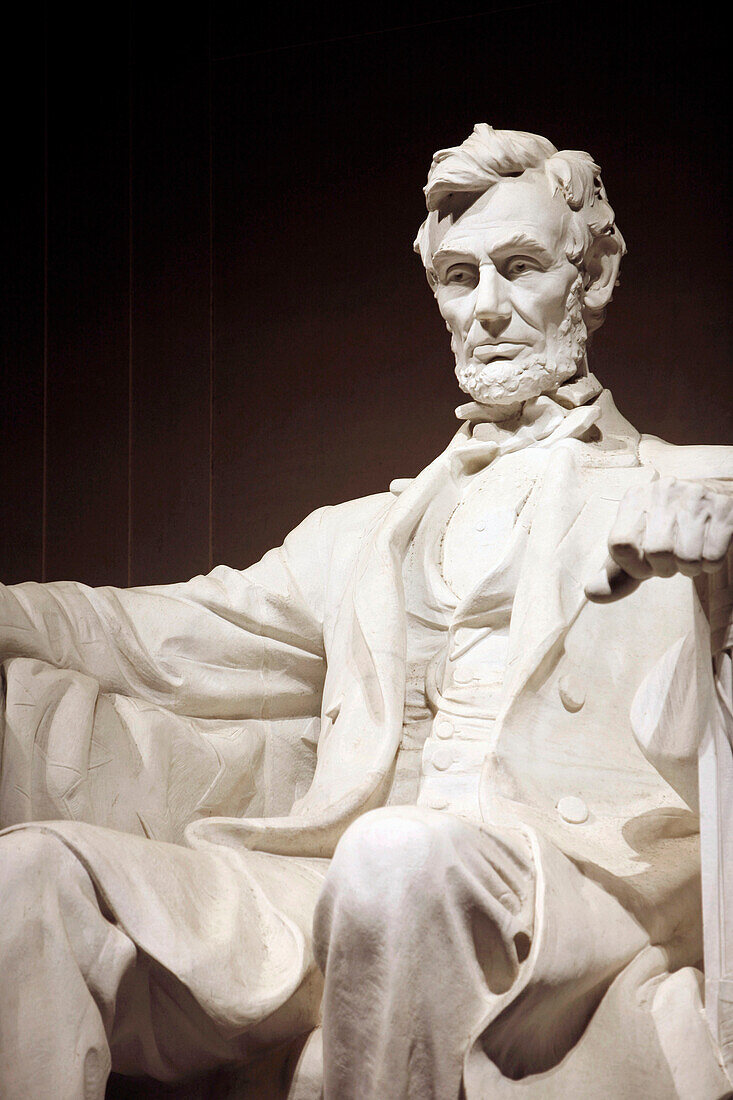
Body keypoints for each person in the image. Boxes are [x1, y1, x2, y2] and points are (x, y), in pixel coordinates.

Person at [1, 124, 732, 1100]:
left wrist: (722, 588)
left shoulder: (688, 493)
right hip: (334, 887)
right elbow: (153, 634)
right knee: (34, 879)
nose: (489, 308)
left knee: (394, 857)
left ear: (590, 280)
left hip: (559, 901)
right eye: (460, 277)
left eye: (519, 268)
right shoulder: (361, 534)